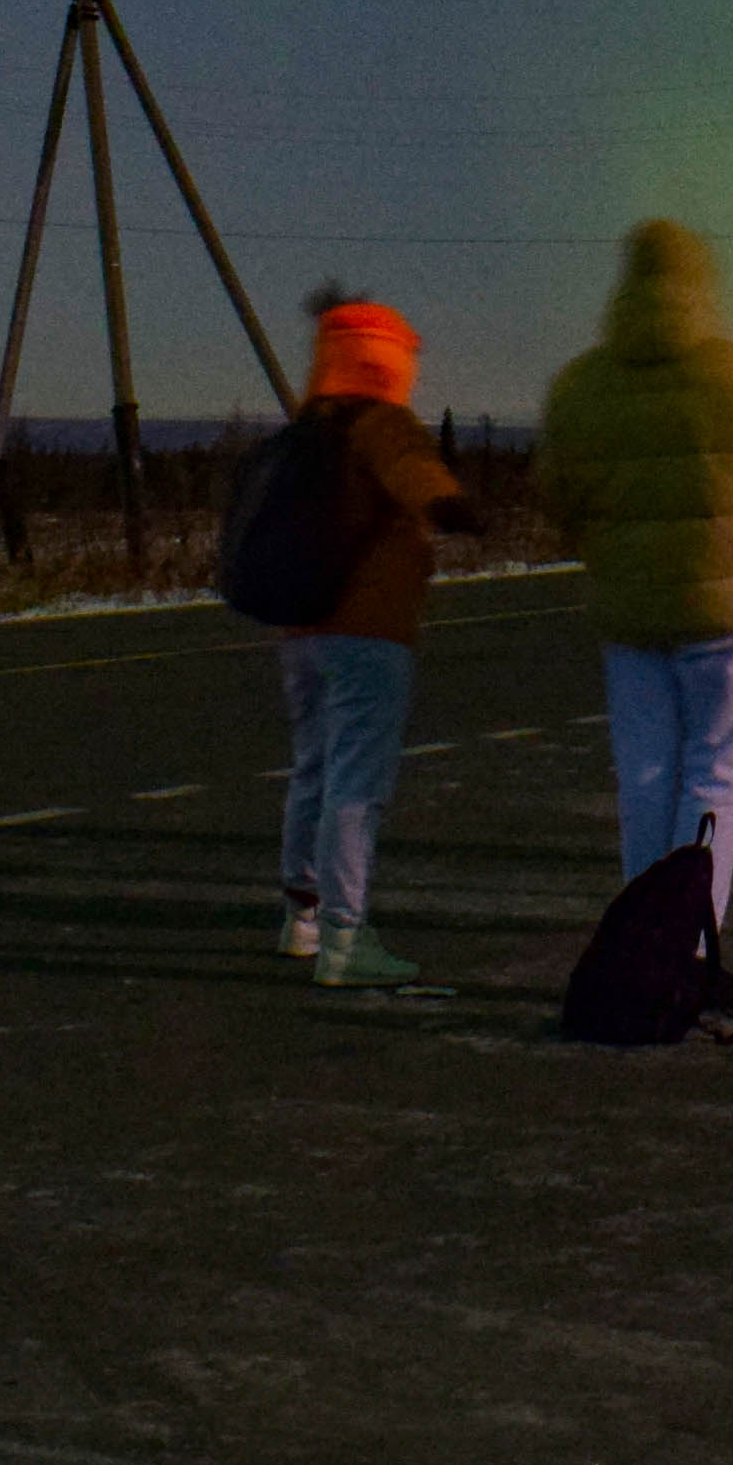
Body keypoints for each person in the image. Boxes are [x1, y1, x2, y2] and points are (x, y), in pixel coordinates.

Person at [534, 217, 733, 999]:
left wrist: (612, 536)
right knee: (715, 775)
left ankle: (637, 942)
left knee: (644, 777)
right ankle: (691, 950)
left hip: (629, 612)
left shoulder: (582, 384)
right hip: (723, 614)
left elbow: (557, 491)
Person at [270, 287, 486, 991]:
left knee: (312, 770)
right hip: (370, 629)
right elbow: (414, 472)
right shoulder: (380, 422)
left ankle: (302, 918)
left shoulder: (308, 428)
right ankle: (345, 936)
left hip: (301, 626)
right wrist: (452, 506)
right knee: (358, 785)